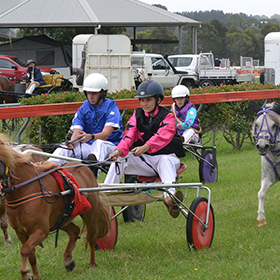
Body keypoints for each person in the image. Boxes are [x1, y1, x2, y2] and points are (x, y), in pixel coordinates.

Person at [104, 80, 185, 218]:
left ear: (158, 99)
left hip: (167, 160)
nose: (144, 104)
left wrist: (144, 147)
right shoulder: (137, 115)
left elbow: (162, 136)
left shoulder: (169, 116)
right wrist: (118, 151)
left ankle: (171, 198)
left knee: (165, 160)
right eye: (141, 100)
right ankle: (106, 194)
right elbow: (128, 136)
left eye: (148, 100)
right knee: (121, 158)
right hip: (146, 161)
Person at [50, 73, 123, 168]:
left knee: (99, 143)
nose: (90, 96)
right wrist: (73, 143)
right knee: (64, 148)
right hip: (89, 146)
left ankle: (93, 173)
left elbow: (105, 135)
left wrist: (90, 137)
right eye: (88, 93)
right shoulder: (84, 108)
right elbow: (77, 131)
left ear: (102, 93)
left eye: (94, 93)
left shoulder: (111, 106)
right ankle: (45, 168)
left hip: (111, 147)